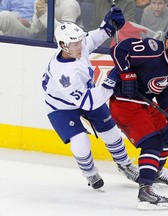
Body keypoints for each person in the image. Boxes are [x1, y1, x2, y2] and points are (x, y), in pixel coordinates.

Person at [41, 8, 139, 190]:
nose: (81, 46)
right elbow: (89, 102)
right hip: (61, 106)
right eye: (76, 44)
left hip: (86, 94)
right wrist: (111, 81)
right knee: (80, 143)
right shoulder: (65, 74)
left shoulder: (73, 46)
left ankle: (125, 165)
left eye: (79, 42)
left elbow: (91, 39)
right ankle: (90, 173)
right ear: (63, 45)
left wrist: (108, 27)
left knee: (111, 132)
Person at [109, 25, 168, 210]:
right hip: (124, 103)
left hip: (145, 104)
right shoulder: (151, 49)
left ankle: (155, 171)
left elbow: (167, 95)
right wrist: (127, 75)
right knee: (152, 142)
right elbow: (118, 49)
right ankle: (146, 191)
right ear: (167, 43)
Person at [0, 0, 82, 39]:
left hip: (75, 45)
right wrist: (38, 14)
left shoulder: (70, 4)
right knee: (5, 16)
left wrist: (45, 15)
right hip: (40, 38)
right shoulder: (40, 2)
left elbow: (66, 35)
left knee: (5, 16)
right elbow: (36, 29)